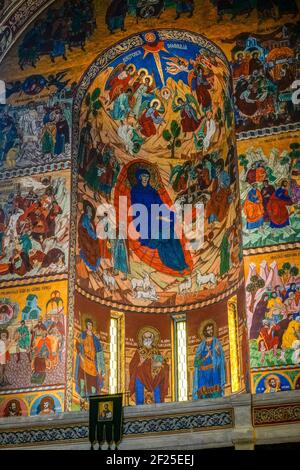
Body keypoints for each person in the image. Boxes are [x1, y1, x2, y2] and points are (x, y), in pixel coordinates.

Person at [130, 168, 189, 274]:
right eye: (143, 176)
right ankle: (175, 265)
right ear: (139, 178)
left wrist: (169, 215)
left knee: (173, 235)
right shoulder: (135, 191)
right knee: (164, 238)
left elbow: (160, 204)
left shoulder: (152, 191)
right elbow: (137, 209)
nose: (145, 179)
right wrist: (156, 216)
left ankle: (182, 263)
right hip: (145, 222)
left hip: (158, 219)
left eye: (147, 177)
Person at [129, 327, 169, 405]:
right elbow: (132, 365)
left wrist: (163, 363)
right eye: (145, 337)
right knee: (140, 399)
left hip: (154, 379)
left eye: (149, 337)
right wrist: (139, 363)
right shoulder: (139, 351)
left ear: (152, 338)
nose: (147, 339)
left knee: (157, 397)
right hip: (141, 377)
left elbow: (160, 364)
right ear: (142, 338)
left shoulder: (156, 351)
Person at [192, 320, 226, 400]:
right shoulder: (201, 346)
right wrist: (206, 357)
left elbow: (220, 358)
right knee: (203, 394)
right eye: (208, 330)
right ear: (204, 331)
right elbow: (196, 363)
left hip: (213, 371)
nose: (210, 331)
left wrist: (217, 352)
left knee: (215, 394)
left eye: (211, 329)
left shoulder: (216, 342)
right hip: (203, 373)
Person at [75, 318, 105, 398]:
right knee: (82, 376)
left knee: (93, 380)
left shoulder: (95, 338)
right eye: (88, 324)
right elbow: (77, 344)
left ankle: (92, 398)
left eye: (91, 325)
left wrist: (101, 366)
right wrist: (80, 355)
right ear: (86, 325)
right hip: (84, 359)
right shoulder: (83, 335)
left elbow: (99, 352)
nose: (90, 326)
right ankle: (82, 395)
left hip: (92, 362)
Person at [78, 201, 101, 272]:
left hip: (89, 238)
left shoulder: (89, 219)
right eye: (89, 211)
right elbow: (89, 230)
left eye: (91, 211)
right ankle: (94, 267)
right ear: (86, 211)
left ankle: (95, 266)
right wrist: (95, 236)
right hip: (85, 239)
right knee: (91, 251)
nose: (90, 213)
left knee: (97, 249)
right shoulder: (85, 218)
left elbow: (92, 229)